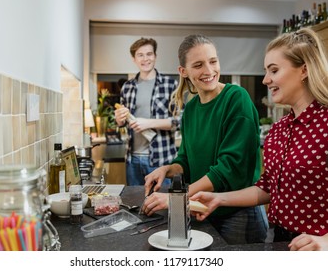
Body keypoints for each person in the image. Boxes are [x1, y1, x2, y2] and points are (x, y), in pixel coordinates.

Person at [190, 27, 328, 251]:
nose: (265, 80)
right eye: (265, 71)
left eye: (273, 70)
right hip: (278, 239)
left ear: (303, 70)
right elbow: (267, 188)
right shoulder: (279, 130)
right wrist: (217, 198)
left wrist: (326, 240)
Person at [141, 34, 268, 245]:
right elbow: (186, 161)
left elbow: (229, 168)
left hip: (238, 216)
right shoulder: (190, 109)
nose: (209, 71)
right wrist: (166, 169)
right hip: (202, 210)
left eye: (213, 61)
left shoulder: (236, 98)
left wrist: (177, 200)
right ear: (184, 72)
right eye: (198, 65)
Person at [115, 37, 181, 186]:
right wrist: (119, 119)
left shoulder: (170, 84)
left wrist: (148, 123)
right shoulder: (127, 87)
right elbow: (122, 122)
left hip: (161, 160)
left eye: (149, 54)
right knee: (135, 206)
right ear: (134, 59)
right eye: (140, 55)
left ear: (155, 56)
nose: (145, 59)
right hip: (133, 160)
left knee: (163, 206)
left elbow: (180, 121)